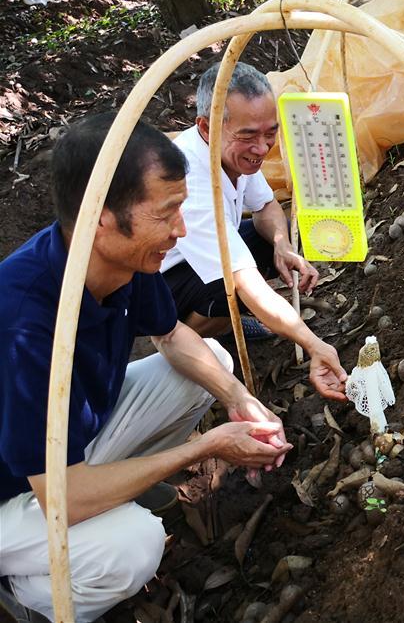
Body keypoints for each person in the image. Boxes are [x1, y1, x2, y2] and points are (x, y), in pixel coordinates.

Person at [0, 115, 295, 623]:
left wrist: (238, 398)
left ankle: (112, 494)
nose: (180, 230)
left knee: (213, 363)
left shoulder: (124, 262)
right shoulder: (23, 323)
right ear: (102, 218)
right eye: (167, 214)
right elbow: (60, 494)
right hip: (22, 489)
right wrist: (205, 446)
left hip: (69, 448)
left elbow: (172, 333)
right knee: (134, 547)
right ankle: (30, 593)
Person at [161, 62, 346, 401]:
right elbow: (242, 280)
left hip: (205, 259)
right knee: (228, 288)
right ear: (207, 127)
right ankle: (191, 338)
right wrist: (313, 343)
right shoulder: (190, 179)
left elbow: (267, 207)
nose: (262, 149)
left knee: (266, 242)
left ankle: (225, 324)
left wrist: (282, 245)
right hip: (164, 283)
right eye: (247, 136)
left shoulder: (235, 156)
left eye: (270, 133)